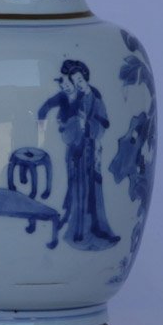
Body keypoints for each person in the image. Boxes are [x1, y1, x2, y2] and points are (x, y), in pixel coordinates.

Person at [39, 60, 120, 250]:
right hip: (77, 152)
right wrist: (74, 124)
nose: (78, 84)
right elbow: (66, 125)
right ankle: (78, 230)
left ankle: (99, 228)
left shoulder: (96, 98)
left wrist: (88, 126)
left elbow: (102, 124)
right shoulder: (77, 98)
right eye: (75, 82)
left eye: (80, 80)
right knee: (78, 189)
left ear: (85, 78)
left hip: (91, 151)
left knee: (94, 191)